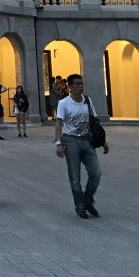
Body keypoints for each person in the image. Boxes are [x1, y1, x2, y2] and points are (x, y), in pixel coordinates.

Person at [55, 74, 109, 219]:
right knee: (75, 178)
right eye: (77, 84)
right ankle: (80, 206)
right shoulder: (64, 103)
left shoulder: (87, 101)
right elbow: (59, 123)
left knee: (96, 173)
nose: (80, 86)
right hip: (71, 141)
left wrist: (103, 141)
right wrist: (58, 143)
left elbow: (94, 122)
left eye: (81, 83)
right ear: (70, 87)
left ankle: (88, 200)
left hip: (87, 140)